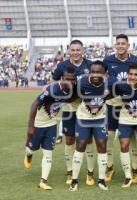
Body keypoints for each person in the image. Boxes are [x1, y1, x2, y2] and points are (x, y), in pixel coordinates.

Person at [24, 67, 76, 190]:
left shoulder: (73, 89)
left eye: (72, 79)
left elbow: (71, 98)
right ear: (62, 79)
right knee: (32, 149)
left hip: (52, 125)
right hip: (38, 125)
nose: (70, 82)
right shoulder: (52, 89)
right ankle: (28, 154)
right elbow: (34, 104)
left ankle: (43, 181)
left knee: (48, 154)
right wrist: (31, 126)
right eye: (67, 79)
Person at [52, 39, 95, 185]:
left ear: (83, 51)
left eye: (78, 50)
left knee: (88, 140)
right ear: (69, 51)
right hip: (69, 109)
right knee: (69, 140)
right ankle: (70, 172)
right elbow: (53, 82)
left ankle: (90, 172)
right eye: (73, 50)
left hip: (87, 109)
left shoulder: (90, 65)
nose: (75, 52)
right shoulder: (62, 65)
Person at [103, 34, 137, 183]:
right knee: (110, 138)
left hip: (129, 105)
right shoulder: (108, 60)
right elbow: (100, 74)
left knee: (131, 139)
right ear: (115, 45)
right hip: (112, 104)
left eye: (123, 43)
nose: (120, 46)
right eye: (117, 43)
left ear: (128, 45)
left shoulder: (136, 61)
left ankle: (135, 169)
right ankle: (110, 167)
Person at [69, 61, 112, 191]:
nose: (95, 74)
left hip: (100, 118)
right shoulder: (81, 82)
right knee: (81, 145)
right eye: (93, 71)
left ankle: (101, 180)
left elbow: (125, 88)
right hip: (83, 118)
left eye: (99, 72)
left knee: (102, 146)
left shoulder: (110, 83)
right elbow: (72, 95)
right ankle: (74, 180)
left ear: (105, 74)